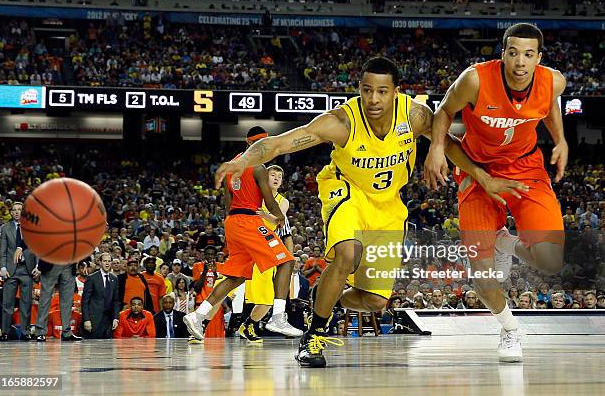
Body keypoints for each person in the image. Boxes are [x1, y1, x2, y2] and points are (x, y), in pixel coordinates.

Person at [214, 56, 524, 367]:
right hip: (345, 191)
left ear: (396, 91)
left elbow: (448, 140)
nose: (373, 99)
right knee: (348, 254)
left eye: (382, 91)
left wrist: (468, 167)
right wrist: (243, 160)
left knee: (376, 301)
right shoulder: (341, 122)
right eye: (366, 90)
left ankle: (327, 299)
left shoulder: (415, 116)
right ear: (359, 90)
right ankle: (314, 337)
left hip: (388, 204)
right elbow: (280, 144)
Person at [425, 23, 567, 362]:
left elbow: (549, 104)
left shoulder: (553, 81)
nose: (520, 61)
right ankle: (509, 330)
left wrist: (560, 139)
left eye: (528, 55)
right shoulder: (475, 79)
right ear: (502, 54)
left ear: (539, 59)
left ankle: (507, 241)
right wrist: (436, 149)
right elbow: (444, 111)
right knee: (484, 278)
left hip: (526, 170)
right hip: (477, 172)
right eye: (513, 53)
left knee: (550, 261)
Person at [183, 131, 295, 344]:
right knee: (287, 261)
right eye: (262, 143)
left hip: (233, 222)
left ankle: (197, 316)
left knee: (236, 276)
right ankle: (278, 316)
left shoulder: (230, 166)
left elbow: (227, 202)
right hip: (249, 219)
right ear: (253, 143)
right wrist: (279, 216)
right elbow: (269, 200)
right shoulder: (258, 167)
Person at [241, 149, 302, 340]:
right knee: (262, 297)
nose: (276, 179)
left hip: (268, 250)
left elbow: (279, 219)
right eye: (272, 175)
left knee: (267, 298)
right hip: (252, 248)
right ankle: (244, 326)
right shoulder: (254, 195)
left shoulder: (282, 200)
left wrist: (266, 216)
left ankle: (247, 326)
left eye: (279, 177)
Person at [0, 202, 39, 340]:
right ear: (11, 213)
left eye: (20, 210)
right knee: (7, 303)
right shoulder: (5, 228)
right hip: (11, 270)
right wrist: (3, 267)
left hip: (27, 269)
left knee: (26, 303)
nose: (17, 212)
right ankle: (5, 332)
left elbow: (37, 248)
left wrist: (37, 266)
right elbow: (2, 250)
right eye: (14, 210)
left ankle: (26, 332)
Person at [81, 253, 120, 339]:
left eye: (109, 261)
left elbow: (116, 301)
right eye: (105, 261)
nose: (107, 263)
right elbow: (85, 301)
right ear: (100, 262)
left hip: (109, 321)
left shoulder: (114, 278)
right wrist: (86, 319)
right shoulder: (92, 278)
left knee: (108, 349)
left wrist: (116, 318)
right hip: (94, 320)